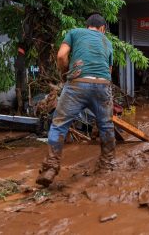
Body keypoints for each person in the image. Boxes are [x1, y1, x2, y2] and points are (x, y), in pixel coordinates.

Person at [36, 14, 115, 187]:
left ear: (87, 26)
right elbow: (109, 71)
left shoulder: (74, 32)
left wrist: (65, 73)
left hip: (77, 83)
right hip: (102, 85)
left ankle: (50, 167)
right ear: (102, 29)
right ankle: (107, 166)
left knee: (59, 125)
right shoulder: (107, 42)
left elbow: (61, 56)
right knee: (106, 125)